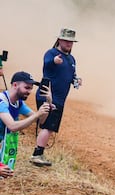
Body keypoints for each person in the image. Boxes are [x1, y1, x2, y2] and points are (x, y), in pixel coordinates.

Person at [31, 27, 81, 167]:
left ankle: (38, 153)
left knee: (50, 126)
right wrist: (54, 61)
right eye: (66, 41)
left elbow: (72, 75)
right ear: (59, 40)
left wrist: (76, 80)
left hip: (59, 98)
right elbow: (47, 63)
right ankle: (37, 154)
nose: (69, 44)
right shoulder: (52, 53)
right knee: (48, 126)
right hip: (48, 95)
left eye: (71, 42)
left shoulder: (71, 59)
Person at [0, 71, 52, 174]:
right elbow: (12, 126)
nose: (29, 91)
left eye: (31, 88)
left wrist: (48, 102)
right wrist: (37, 114)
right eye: (27, 88)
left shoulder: (18, 103)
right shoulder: (2, 101)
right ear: (15, 85)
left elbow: (40, 121)